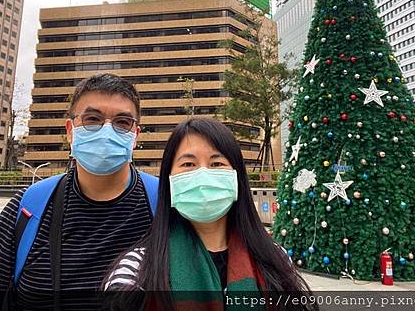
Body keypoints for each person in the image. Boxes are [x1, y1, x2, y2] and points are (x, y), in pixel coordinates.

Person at [0, 74, 157, 310]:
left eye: (122, 122)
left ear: (135, 135)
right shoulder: (28, 208)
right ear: (70, 130)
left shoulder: (164, 205)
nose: (107, 131)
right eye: (92, 119)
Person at [103, 117, 314, 311]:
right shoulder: (137, 268)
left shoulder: (275, 258)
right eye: (188, 164)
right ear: (169, 179)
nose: (203, 173)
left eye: (217, 163)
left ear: (236, 177)